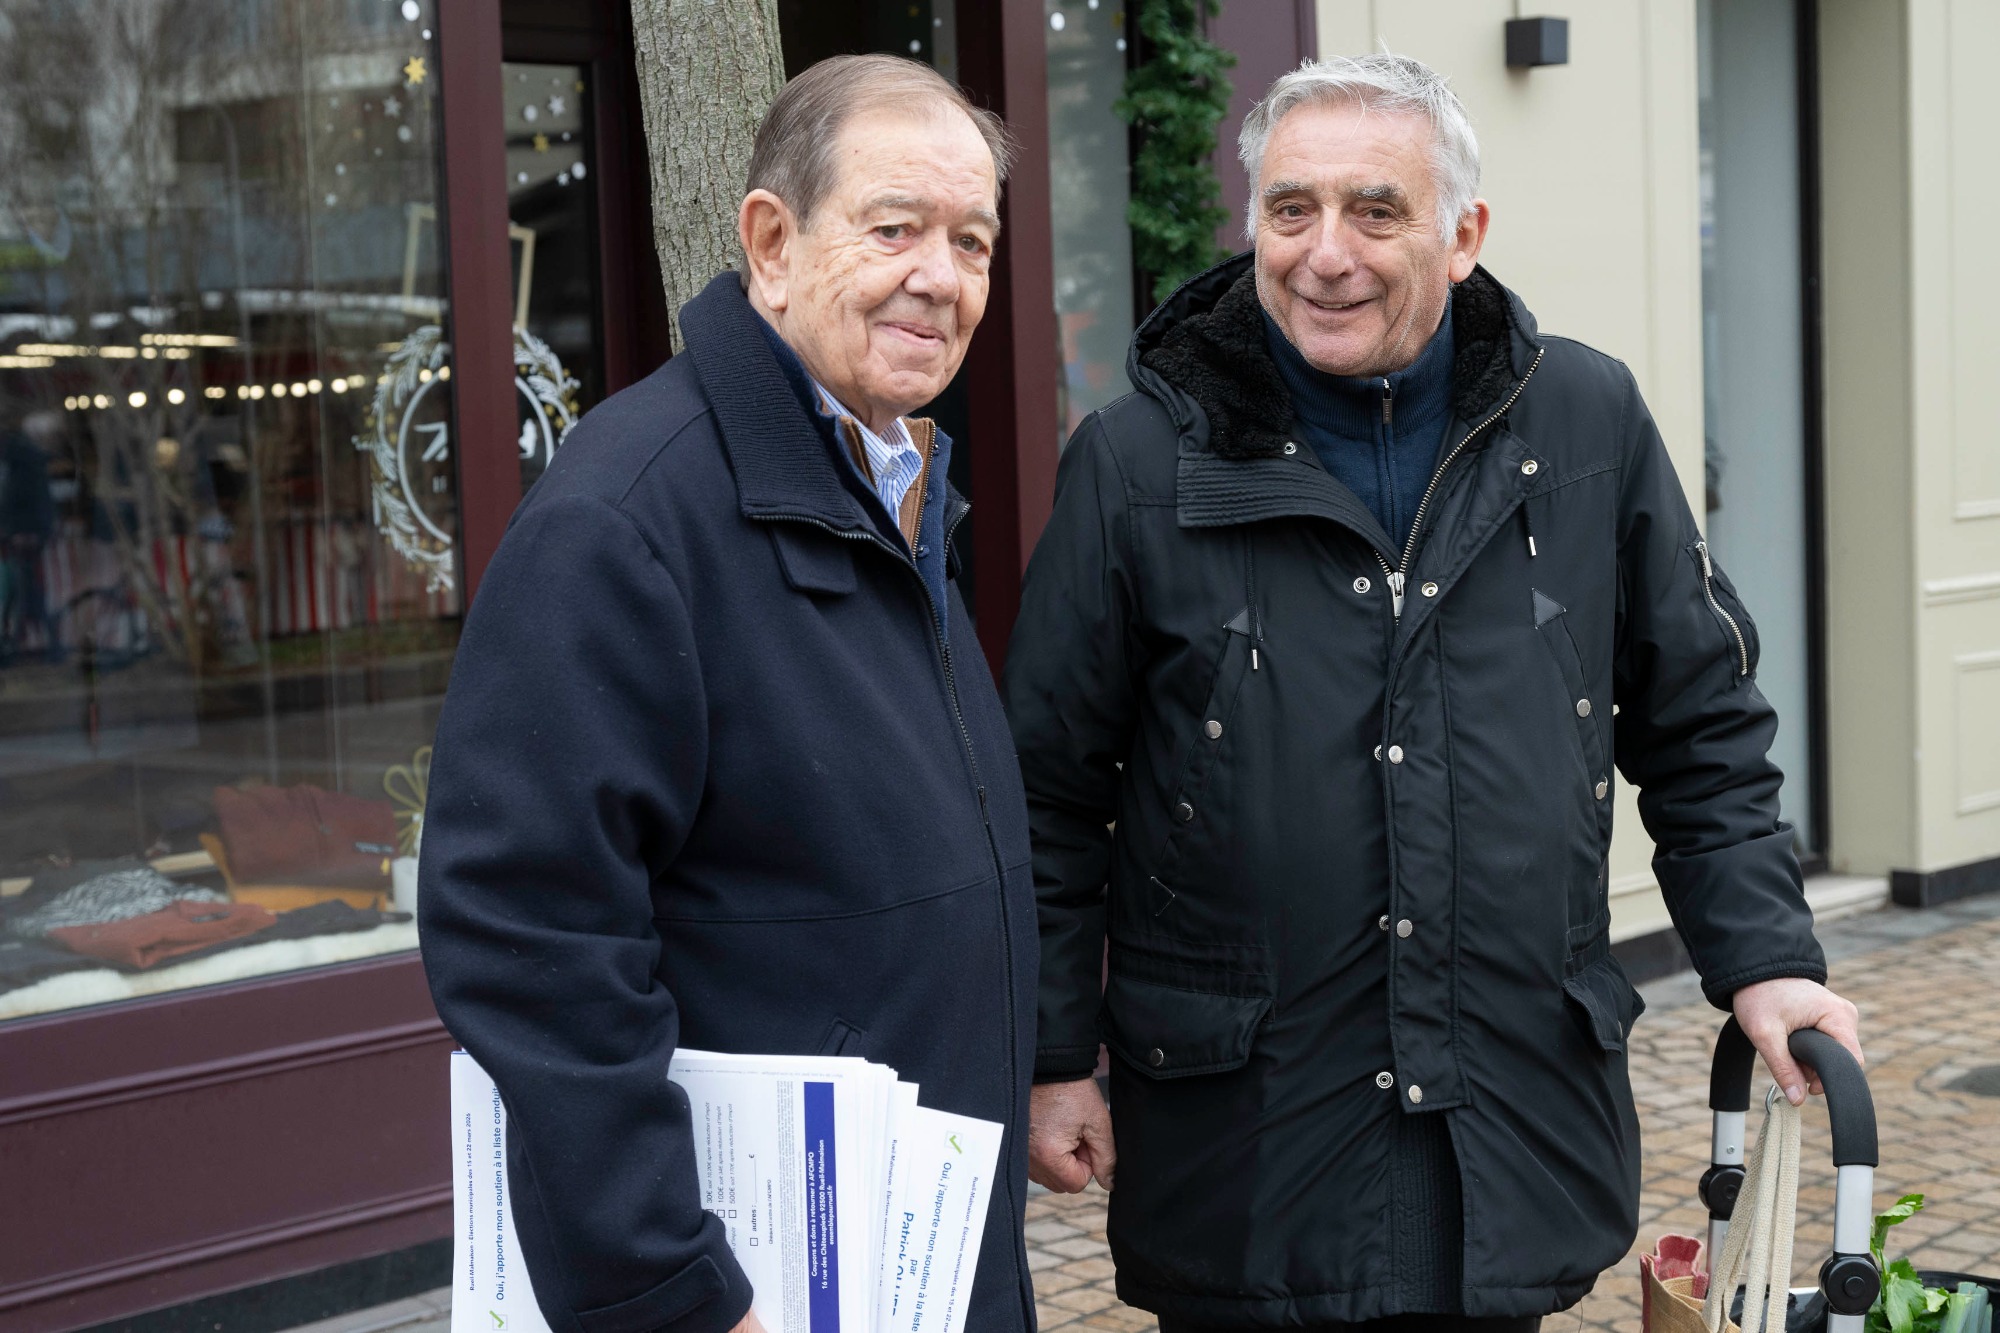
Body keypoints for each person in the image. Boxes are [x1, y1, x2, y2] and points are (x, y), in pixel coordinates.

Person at [1004, 54, 1862, 1333]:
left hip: (1506, 1124)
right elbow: (1046, 794)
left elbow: (1699, 726)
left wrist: (1766, 960)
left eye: (1374, 211)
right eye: (1290, 210)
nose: (1325, 254)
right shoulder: (1136, 463)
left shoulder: (1584, 423)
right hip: (1247, 1151)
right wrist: (1051, 1053)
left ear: (1461, 236)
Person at [419, 55, 1037, 1333]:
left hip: (915, 1259)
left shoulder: (891, 475)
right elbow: (530, 941)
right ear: (770, 243)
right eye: (895, 229)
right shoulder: (626, 517)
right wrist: (667, 1288)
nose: (942, 276)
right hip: (757, 1290)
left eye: (972, 240)